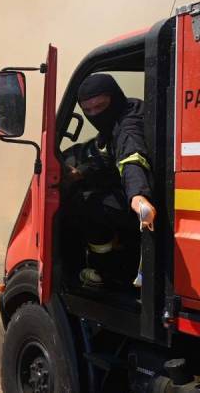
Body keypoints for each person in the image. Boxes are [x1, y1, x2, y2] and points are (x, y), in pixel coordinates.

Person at [63, 73, 156, 288]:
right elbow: (109, 158)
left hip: (147, 201)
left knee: (86, 203)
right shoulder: (126, 112)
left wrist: (138, 195)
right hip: (143, 195)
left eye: (100, 106)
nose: (95, 114)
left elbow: (131, 156)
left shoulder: (128, 124)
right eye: (88, 110)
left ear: (115, 97)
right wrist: (82, 172)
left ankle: (107, 271)